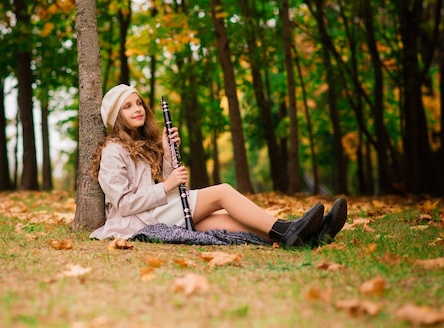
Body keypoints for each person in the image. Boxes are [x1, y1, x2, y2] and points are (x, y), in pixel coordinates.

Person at [90, 84, 347, 248]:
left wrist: (167, 156)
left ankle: (310, 236)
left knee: (221, 220)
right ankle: (289, 227)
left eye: (138, 103)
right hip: (139, 221)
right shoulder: (113, 151)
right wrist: (169, 184)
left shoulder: (145, 143)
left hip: (156, 211)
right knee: (223, 191)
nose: (138, 109)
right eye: (128, 106)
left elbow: (166, 186)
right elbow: (124, 203)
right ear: (116, 117)